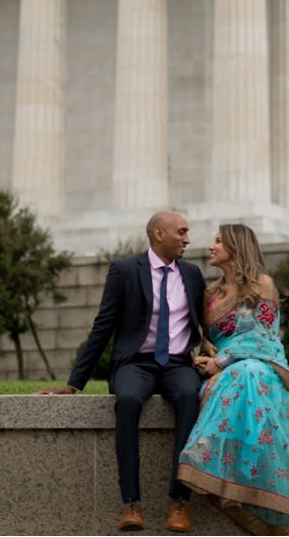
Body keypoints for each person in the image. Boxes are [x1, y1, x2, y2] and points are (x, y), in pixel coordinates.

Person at [39, 210, 207, 533]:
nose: (187, 239)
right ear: (158, 234)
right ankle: (131, 504)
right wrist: (75, 383)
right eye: (181, 232)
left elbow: (208, 323)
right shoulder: (125, 270)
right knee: (127, 400)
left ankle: (179, 503)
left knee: (190, 395)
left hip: (177, 364)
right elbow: (103, 326)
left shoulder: (192, 273)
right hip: (135, 363)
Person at [177, 223, 289, 535]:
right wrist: (205, 360)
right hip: (220, 373)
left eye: (219, 241)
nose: (211, 246)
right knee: (238, 376)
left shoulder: (262, 286)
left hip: (262, 363)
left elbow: (265, 337)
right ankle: (211, 461)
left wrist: (223, 362)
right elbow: (205, 340)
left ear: (236, 247)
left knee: (248, 372)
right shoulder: (210, 294)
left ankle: (215, 456)